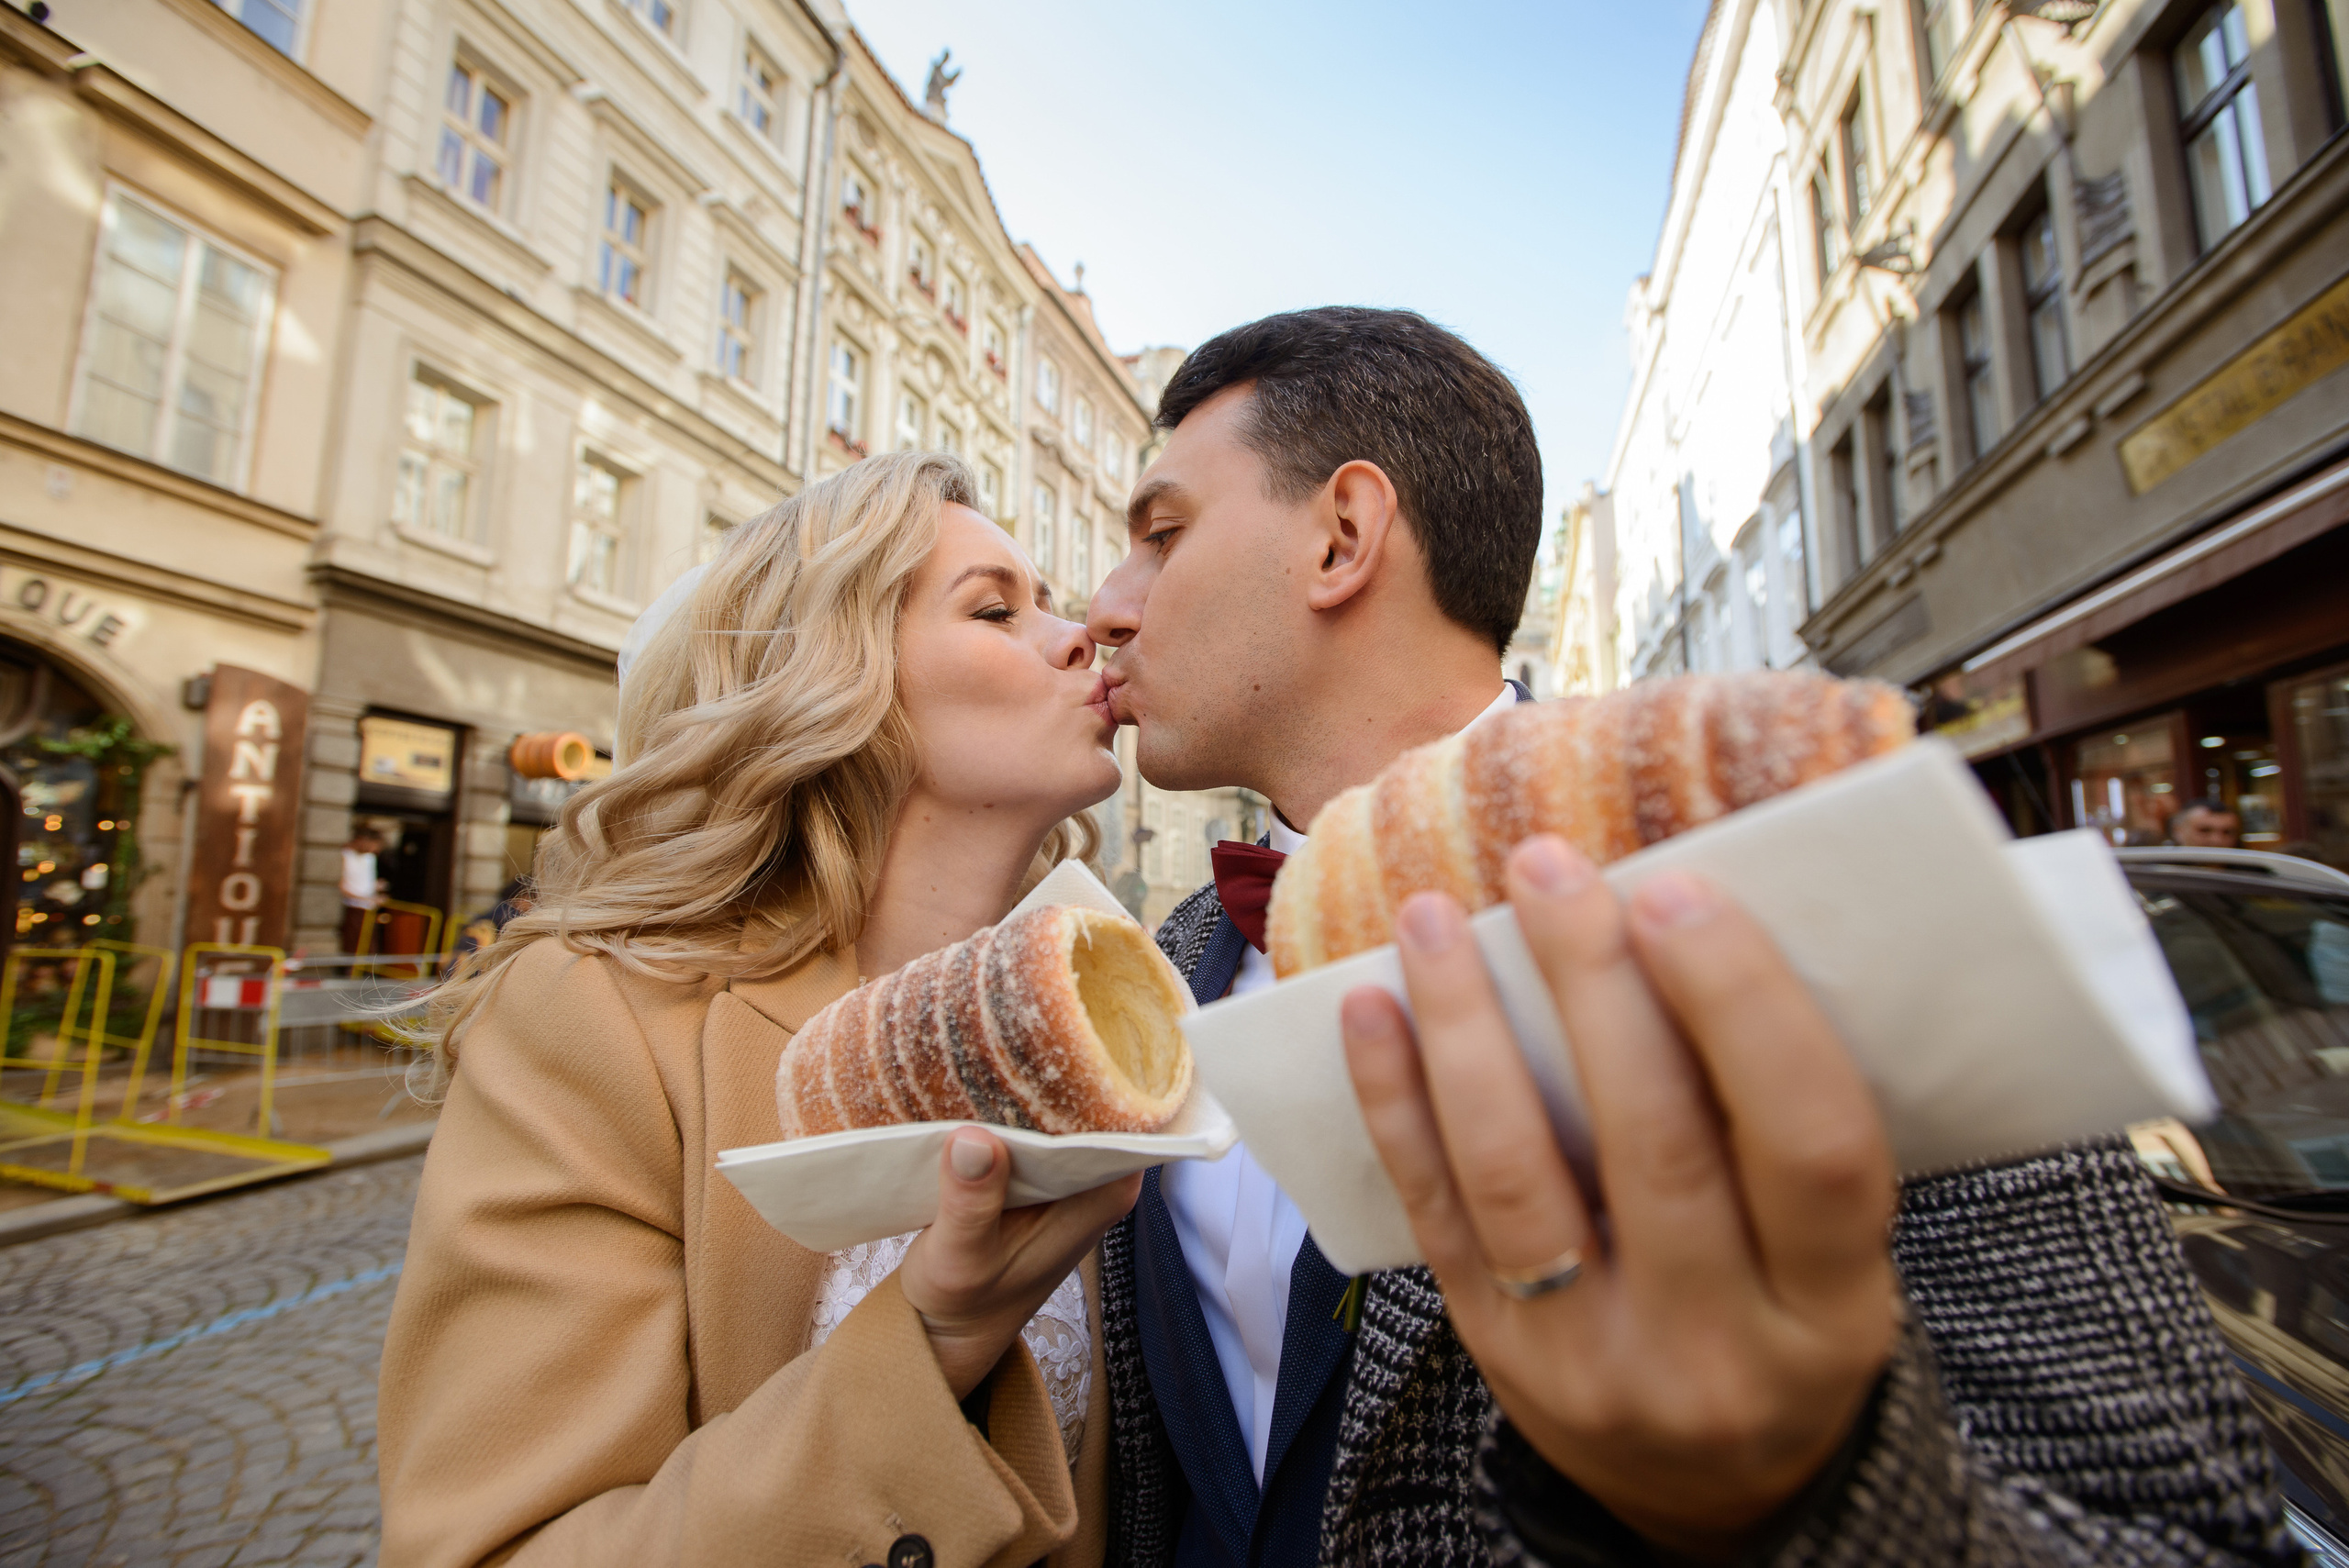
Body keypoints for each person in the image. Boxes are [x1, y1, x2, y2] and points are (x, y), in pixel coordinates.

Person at [1084, 306, 2299, 1564]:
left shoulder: (1793, 868)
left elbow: (2179, 1528)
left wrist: (1794, 1499)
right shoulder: (1168, 964)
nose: (1108, 606)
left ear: (1343, 535)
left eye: (1161, 535)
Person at [376, 453, 1140, 1565]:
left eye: (1054, 601)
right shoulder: (599, 1014)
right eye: (995, 608)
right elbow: (501, 1542)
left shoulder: (1081, 1019)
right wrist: (933, 1341)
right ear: (836, 679)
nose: (1081, 634)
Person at [340, 826, 384, 953]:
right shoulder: (346, 855)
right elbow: (343, 886)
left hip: (368, 907)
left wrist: (376, 887)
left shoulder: (369, 858)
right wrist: (367, 898)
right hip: (354, 907)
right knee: (354, 944)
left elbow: (365, 881)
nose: (374, 850)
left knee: (369, 945)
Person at [2169, 795, 2243, 848]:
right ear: (2178, 831)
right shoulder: (2162, 868)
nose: (2217, 841)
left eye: (2227, 832)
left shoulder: (2251, 867)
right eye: (2205, 830)